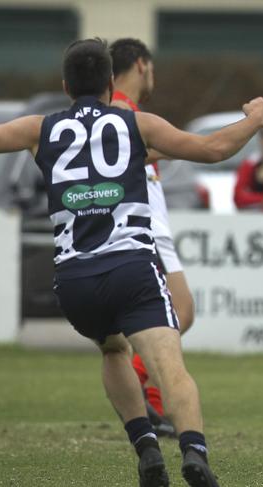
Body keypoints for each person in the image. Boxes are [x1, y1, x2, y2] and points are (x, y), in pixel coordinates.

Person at [0, 38, 263, 486]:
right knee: (169, 365)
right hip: (131, 267)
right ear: (110, 82)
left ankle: (146, 447)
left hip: (74, 278)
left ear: (66, 86)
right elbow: (215, 149)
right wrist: (255, 119)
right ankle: (194, 454)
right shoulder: (136, 124)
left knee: (112, 349)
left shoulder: (38, 128)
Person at [109, 37, 194, 437]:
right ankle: (148, 399)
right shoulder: (121, 110)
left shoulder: (129, 111)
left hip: (152, 225)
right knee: (178, 314)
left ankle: (153, 405)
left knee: (173, 317)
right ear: (141, 64)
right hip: (146, 229)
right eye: (153, 67)